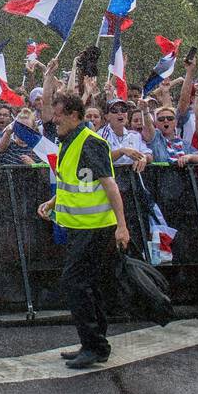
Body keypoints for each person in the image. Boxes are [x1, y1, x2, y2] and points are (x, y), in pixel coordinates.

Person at [37, 92, 130, 369]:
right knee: (89, 285)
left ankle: (93, 345)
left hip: (96, 229)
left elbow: (109, 185)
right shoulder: (71, 140)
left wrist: (122, 227)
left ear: (74, 116)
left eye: (59, 115)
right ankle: (96, 344)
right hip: (80, 228)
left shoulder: (90, 142)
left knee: (74, 282)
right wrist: (53, 202)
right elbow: (75, 182)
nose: (54, 121)